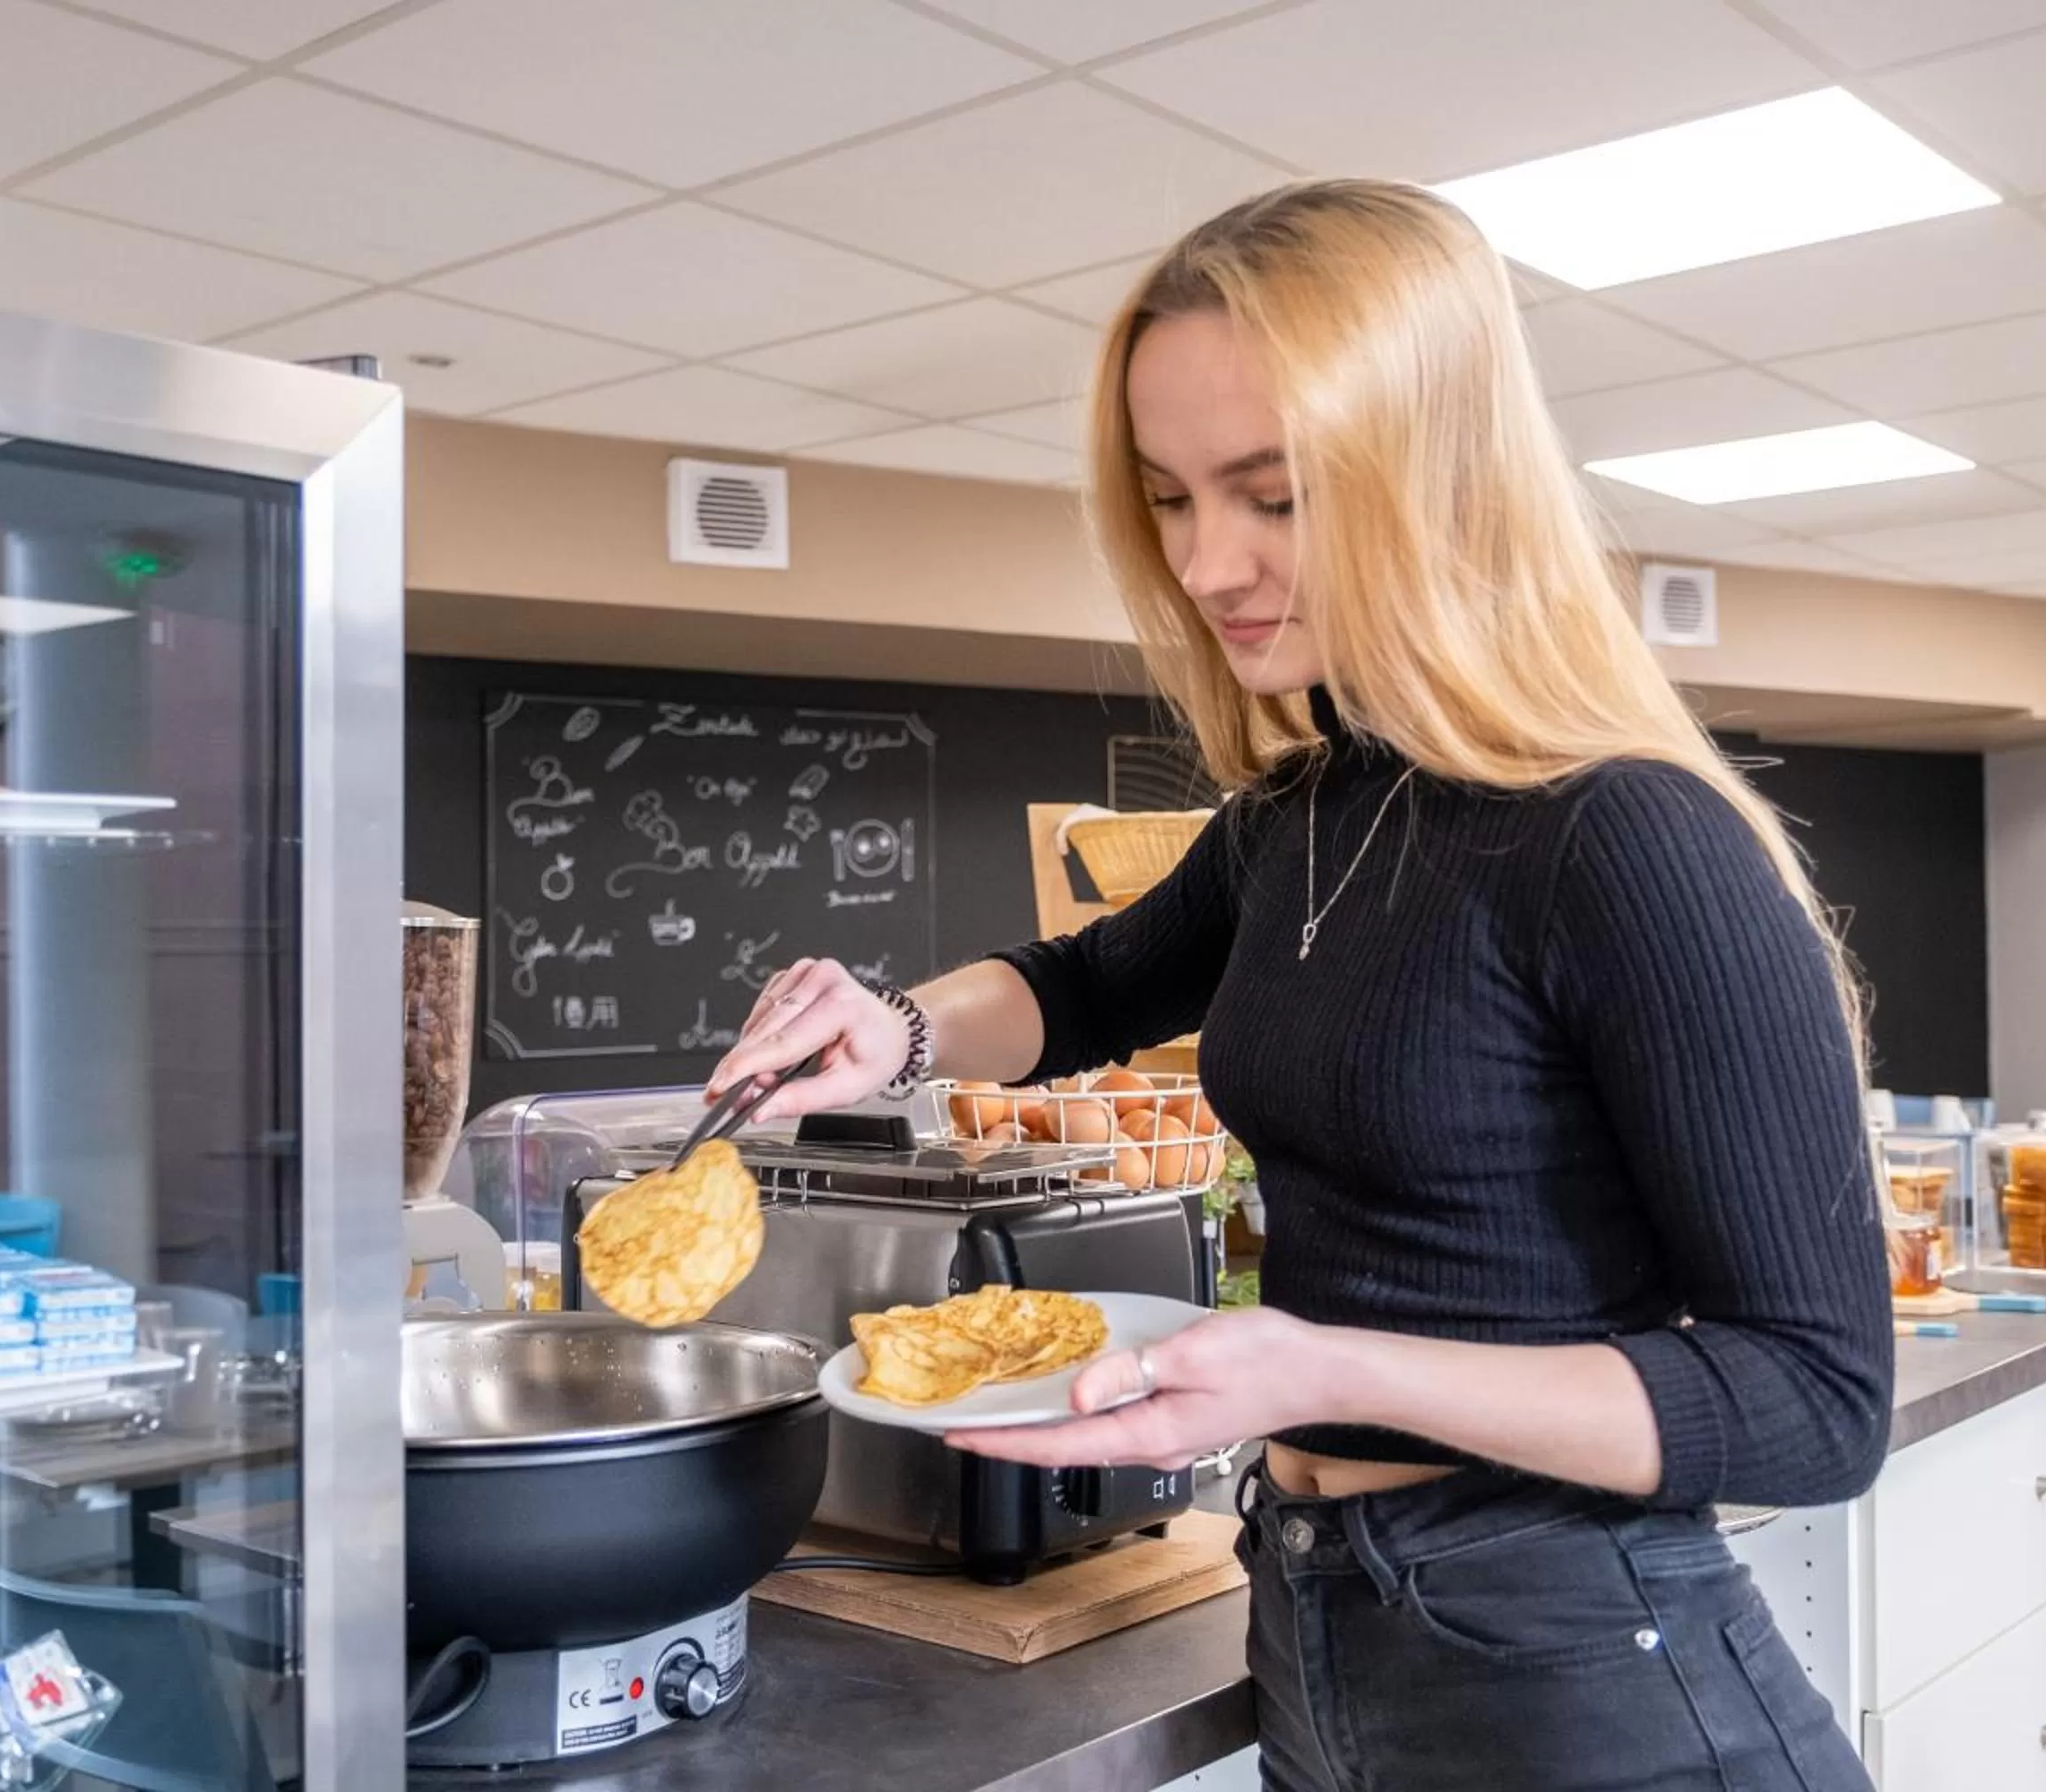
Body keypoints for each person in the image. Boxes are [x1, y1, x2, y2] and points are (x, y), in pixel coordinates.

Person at [707, 180, 1889, 1791]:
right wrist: (892, 1029)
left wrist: (1318, 1363)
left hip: (1579, 1659)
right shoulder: (1302, 813)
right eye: (1172, 498)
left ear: (1441, 477)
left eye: (1273, 494)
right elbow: (1082, 984)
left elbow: (1814, 1402)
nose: (1208, 561)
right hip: (1323, 1617)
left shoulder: (1627, 835)